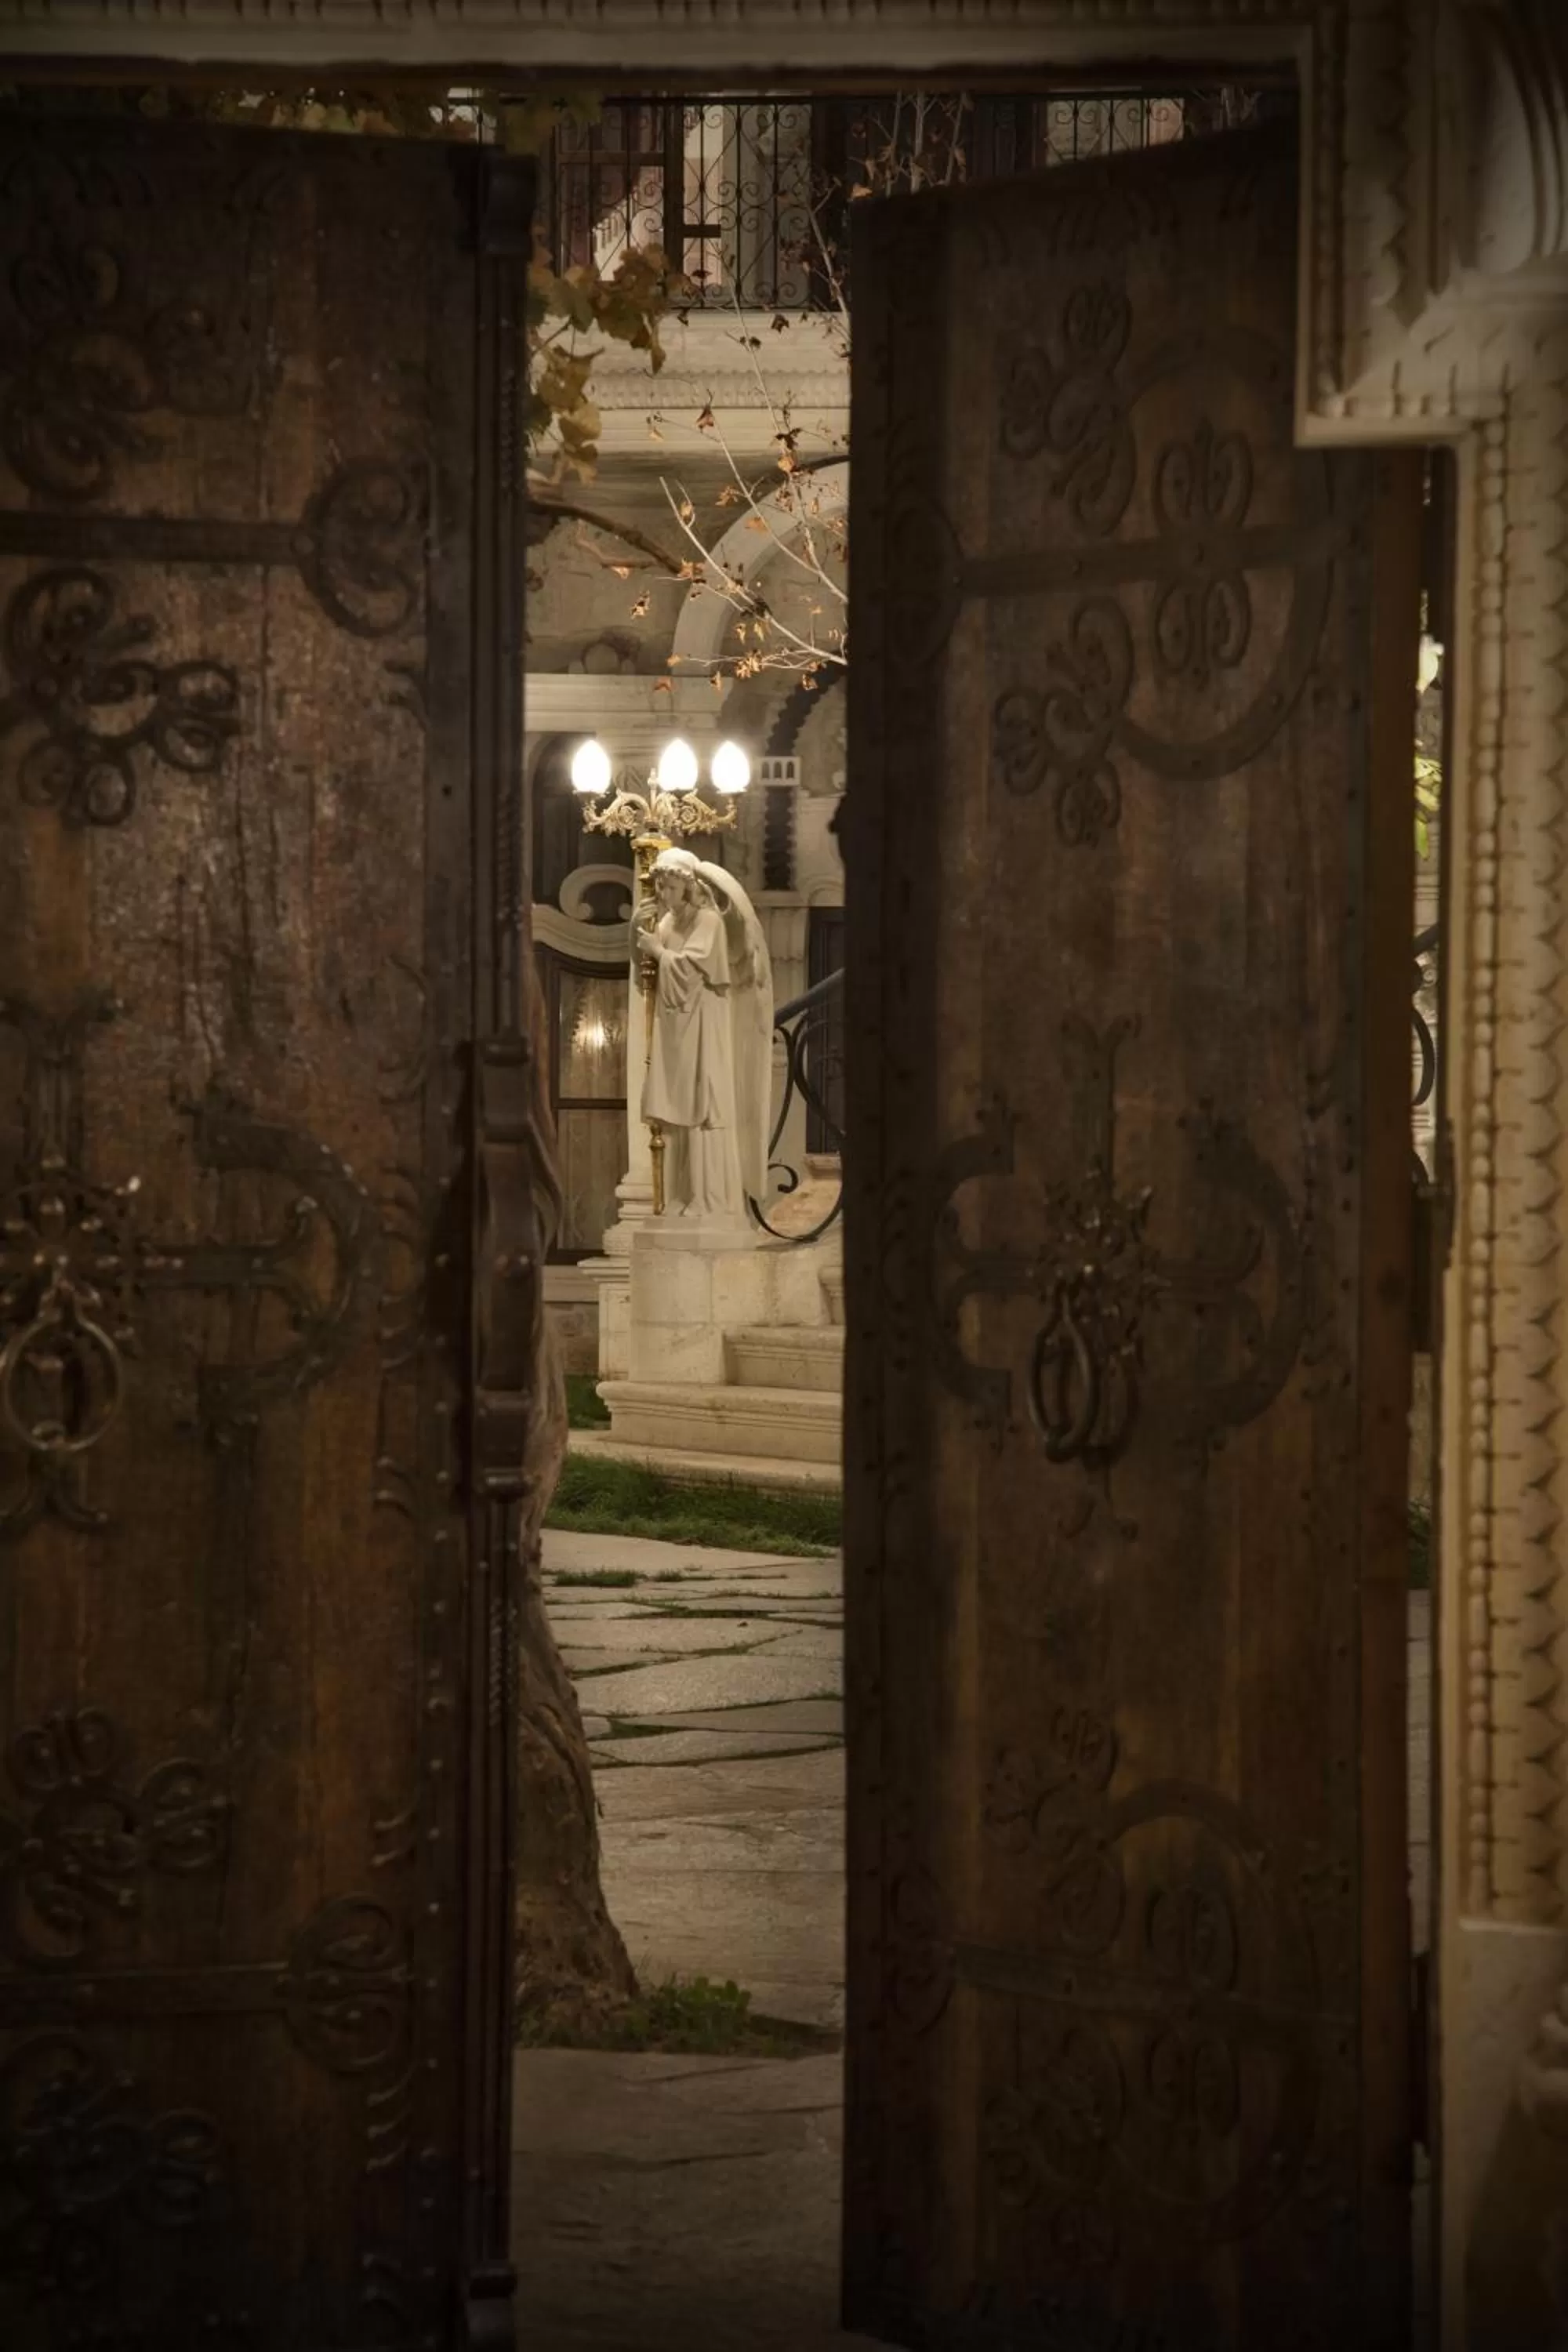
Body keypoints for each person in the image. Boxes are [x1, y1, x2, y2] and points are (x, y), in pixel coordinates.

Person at [633, 846, 772, 1220]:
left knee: (704, 1109)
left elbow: (691, 972)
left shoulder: (708, 921)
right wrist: (639, 933)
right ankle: (683, 1194)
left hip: (703, 1026)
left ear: (688, 886)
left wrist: (659, 952)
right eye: (660, 886)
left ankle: (710, 1200)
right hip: (678, 1030)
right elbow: (647, 975)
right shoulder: (669, 922)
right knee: (681, 1112)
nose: (664, 894)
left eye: (670, 887)